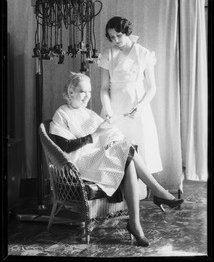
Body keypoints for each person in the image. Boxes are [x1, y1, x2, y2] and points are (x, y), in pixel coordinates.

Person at [49, 72, 184, 247]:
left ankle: (135, 224)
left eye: (89, 92)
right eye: (83, 92)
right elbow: (65, 146)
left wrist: (110, 141)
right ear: (71, 91)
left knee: (126, 153)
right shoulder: (62, 114)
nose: (87, 97)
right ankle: (158, 194)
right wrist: (95, 135)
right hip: (80, 164)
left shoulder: (88, 113)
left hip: (96, 159)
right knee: (127, 153)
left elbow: (111, 131)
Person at [97, 16, 162, 175]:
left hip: (137, 105)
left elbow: (152, 88)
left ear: (126, 32)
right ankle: (119, 193)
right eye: (112, 37)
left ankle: (143, 190)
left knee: (140, 146)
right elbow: (104, 88)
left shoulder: (143, 53)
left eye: (118, 35)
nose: (116, 40)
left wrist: (140, 106)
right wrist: (108, 109)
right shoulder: (108, 54)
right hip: (115, 106)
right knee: (115, 149)